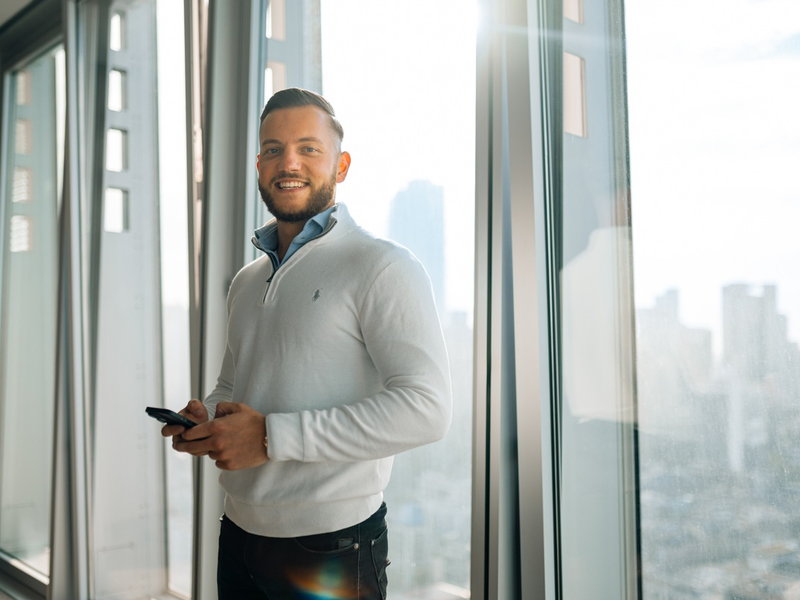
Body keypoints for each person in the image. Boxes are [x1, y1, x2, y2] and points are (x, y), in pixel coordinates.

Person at [162, 87, 452, 599]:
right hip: (239, 533)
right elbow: (235, 380)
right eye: (272, 149)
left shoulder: (383, 266)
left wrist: (272, 437)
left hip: (333, 546)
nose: (287, 161)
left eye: (307, 148)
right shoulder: (247, 280)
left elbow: (428, 410)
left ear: (341, 166)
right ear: (258, 165)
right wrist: (207, 418)